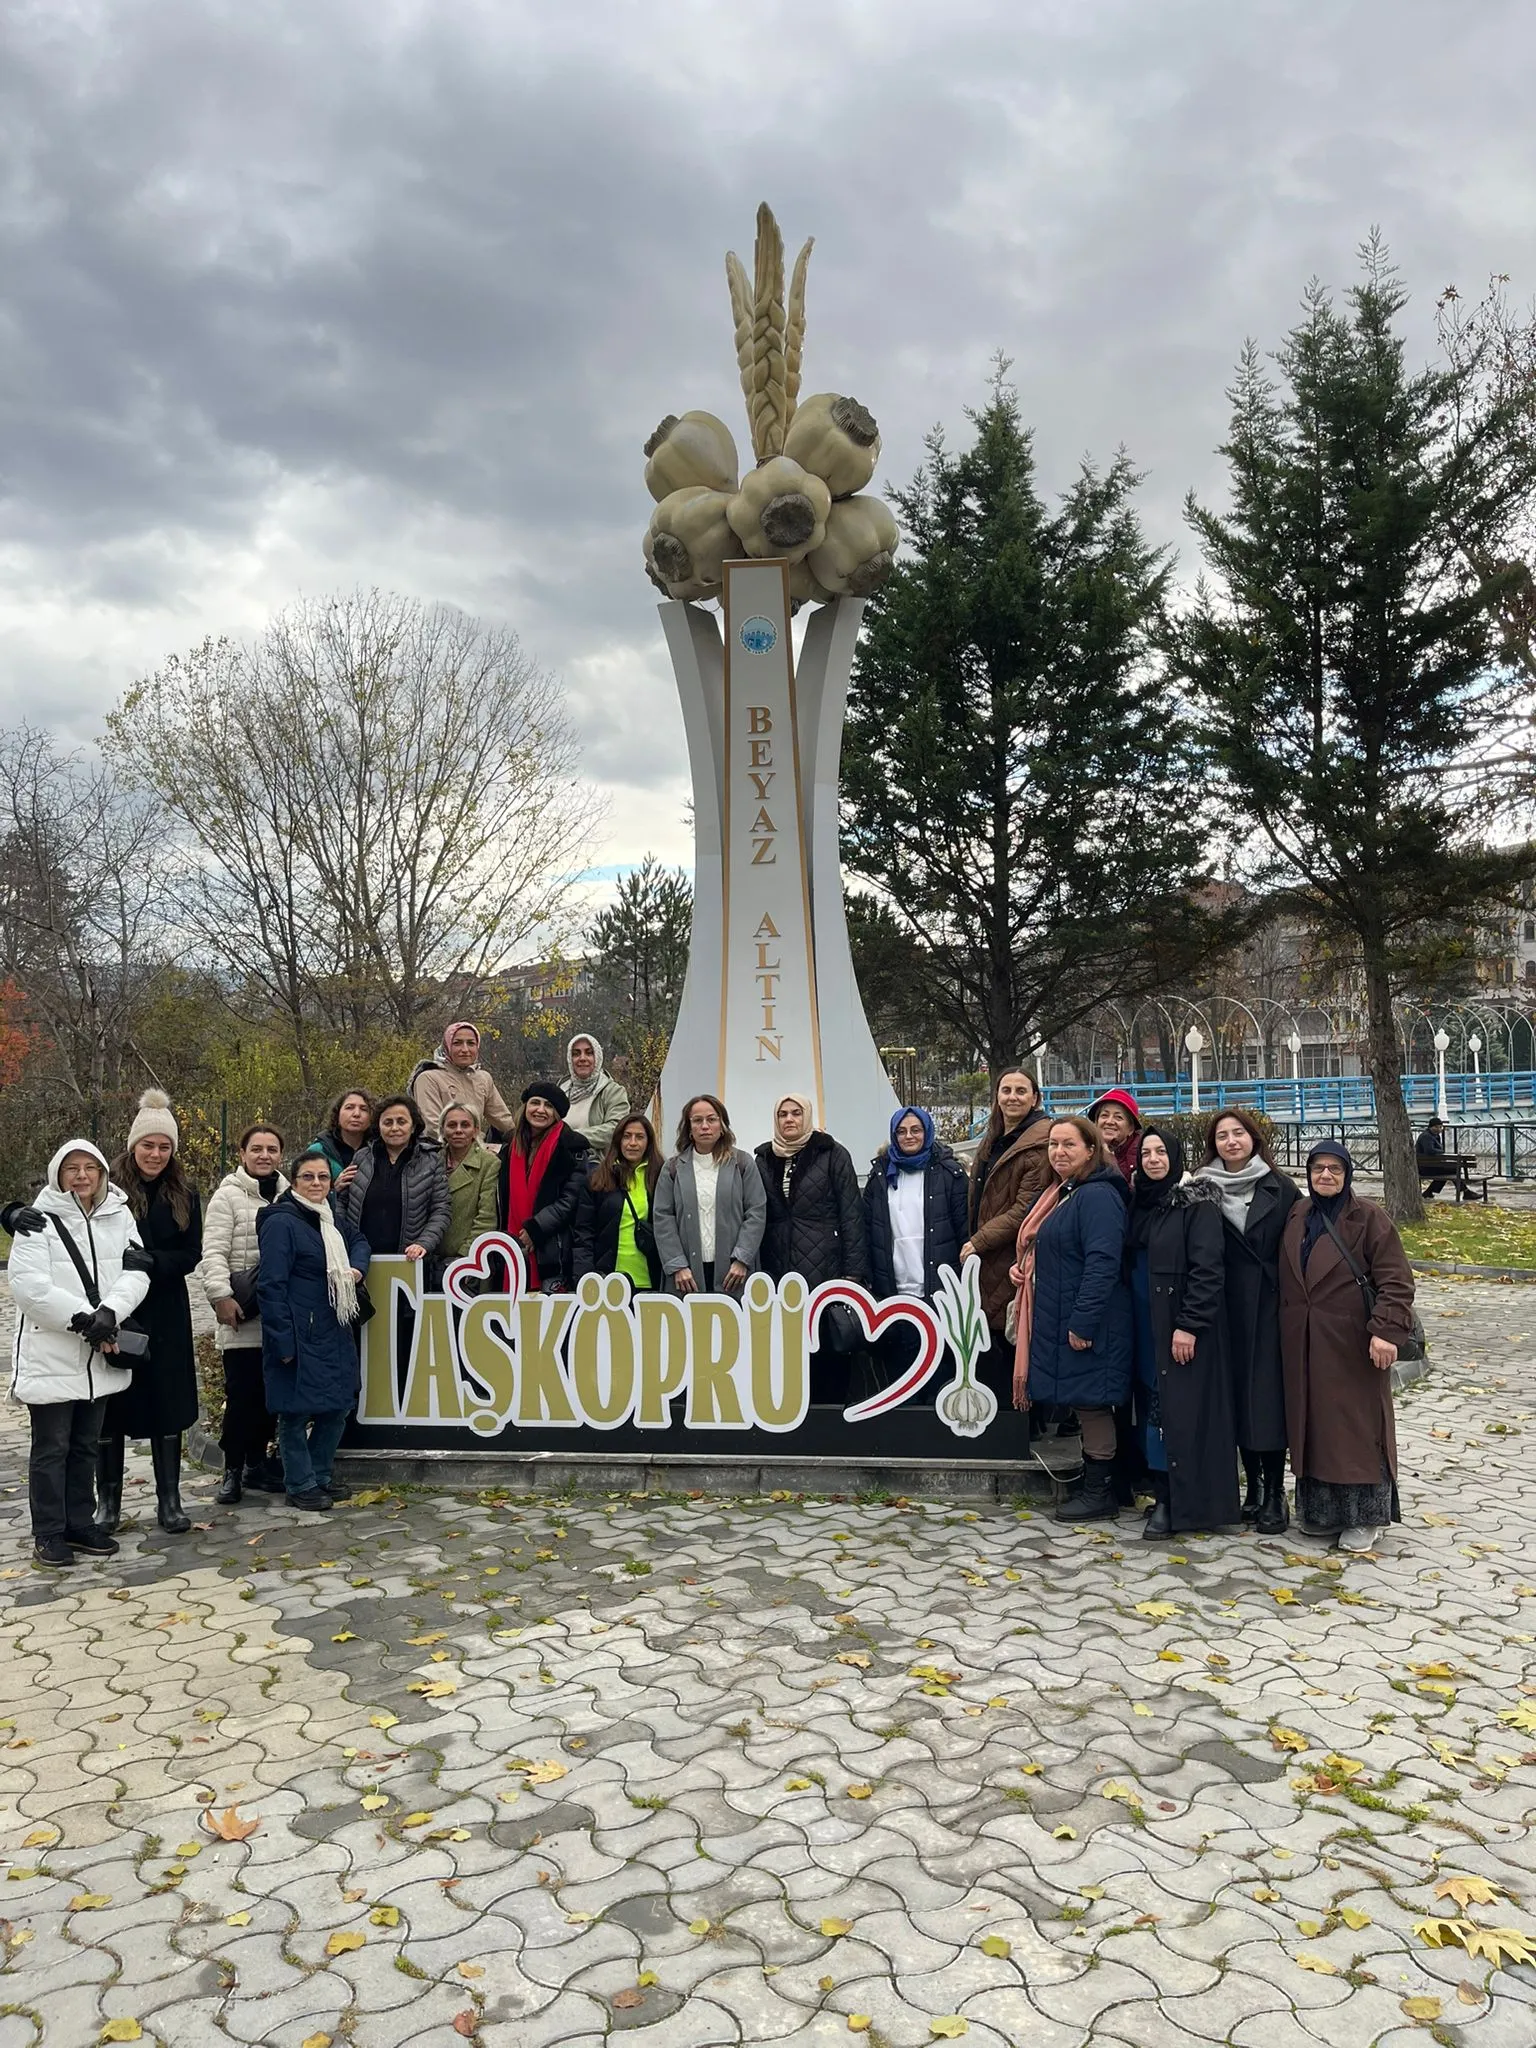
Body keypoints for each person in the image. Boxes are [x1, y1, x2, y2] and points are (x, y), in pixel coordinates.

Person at [9, 1140, 150, 1568]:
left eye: (91, 1167)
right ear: (58, 1173)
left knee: (86, 1444)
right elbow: (29, 1286)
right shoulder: (37, 1221)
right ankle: (48, 1531)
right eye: (73, 1168)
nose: (82, 1176)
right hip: (54, 1350)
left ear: (103, 1172)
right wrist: (88, 1321)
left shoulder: (118, 1213)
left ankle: (80, 1521)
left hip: (98, 1354)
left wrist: (112, 1311)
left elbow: (137, 1268)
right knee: (51, 1447)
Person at [1280, 1141, 1417, 1553]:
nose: (1325, 1176)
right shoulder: (1298, 1215)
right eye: (1318, 1168)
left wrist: (1386, 1331)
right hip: (1304, 1341)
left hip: (1353, 1343)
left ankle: (1366, 1517)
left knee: (1356, 1428)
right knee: (1314, 1427)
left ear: (1347, 1175)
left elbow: (1396, 1280)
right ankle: (1323, 1513)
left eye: (1334, 1169)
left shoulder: (1368, 1217)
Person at [1125, 1128, 1240, 1539]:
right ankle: (1162, 1491)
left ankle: (1173, 1501)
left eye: (1160, 1152)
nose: (1153, 1159)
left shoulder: (1196, 1205)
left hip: (1176, 1326)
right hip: (1142, 1324)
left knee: (1174, 1413)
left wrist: (1188, 1325)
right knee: (1151, 1408)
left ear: (1176, 1156)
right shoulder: (1139, 1202)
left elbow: (1208, 1271)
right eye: (1146, 1153)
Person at [99, 1091, 204, 1537]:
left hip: (165, 1307)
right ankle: (108, 1503)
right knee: (111, 1404)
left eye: (164, 1146)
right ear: (133, 1145)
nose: (156, 1154)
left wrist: (155, 1262)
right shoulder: (108, 1191)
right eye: (148, 1145)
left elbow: (192, 1253)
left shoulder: (185, 1192)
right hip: (117, 1305)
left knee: (167, 1400)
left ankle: (169, 1500)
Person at [1195, 1109, 1300, 1534]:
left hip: (1269, 1308)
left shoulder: (1281, 1187)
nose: (1231, 1141)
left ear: (1253, 1139)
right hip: (1222, 1308)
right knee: (1235, 1399)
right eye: (1222, 1136)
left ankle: (1276, 1491)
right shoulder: (1201, 1189)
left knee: (1266, 1401)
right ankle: (1252, 1488)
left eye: (1238, 1133)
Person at [1024, 1116, 1132, 1523]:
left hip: (1091, 1321)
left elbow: (1103, 1263)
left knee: (1093, 1402)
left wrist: (1083, 1322)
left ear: (1091, 1149)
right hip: (1067, 1312)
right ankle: (1099, 1485)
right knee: (1087, 1399)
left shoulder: (1098, 1196)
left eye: (1069, 1144)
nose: (1059, 1152)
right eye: (1053, 1145)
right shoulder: (1069, 1192)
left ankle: (1099, 1492)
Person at [257, 1150, 371, 1511]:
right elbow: (270, 1286)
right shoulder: (281, 1222)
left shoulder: (330, 1219)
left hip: (333, 1327)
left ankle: (321, 1474)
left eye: (323, 1177)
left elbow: (360, 1241)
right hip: (298, 1332)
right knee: (294, 1411)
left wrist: (355, 1269)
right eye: (308, 1177)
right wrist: (282, 1341)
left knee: (338, 1405)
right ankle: (300, 1482)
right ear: (294, 1181)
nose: (317, 1184)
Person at [201, 1124, 288, 1504]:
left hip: (280, 1314)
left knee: (272, 1395)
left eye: (271, 1149)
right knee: (242, 1396)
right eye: (257, 1148)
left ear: (281, 1155)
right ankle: (232, 1469)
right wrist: (220, 1296)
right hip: (242, 1311)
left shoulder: (291, 1195)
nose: (264, 1155)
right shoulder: (227, 1197)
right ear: (242, 1153)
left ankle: (257, 1463)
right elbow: (214, 1253)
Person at [962, 1071, 1053, 1376]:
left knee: (1013, 1339)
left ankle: (1025, 1417)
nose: (1012, 1097)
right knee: (995, 1338)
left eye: (1021, 1091)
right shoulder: (995, 1137)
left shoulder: (1039, 1145)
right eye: (1006, 1090)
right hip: (989, 1258)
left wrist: (979, 1240)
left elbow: (1024, 1210)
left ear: (1035, 1098)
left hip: (1012, 1255)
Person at [653, 1094, 766, 1296]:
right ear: (689, 1128)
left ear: (722, 1125)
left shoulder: (742, 1163)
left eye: (711, 1119)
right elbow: (663, 1218)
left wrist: (742, 1259)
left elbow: (756, 1212)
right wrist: (677, 1265)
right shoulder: (673, 1168)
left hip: (733, 1273)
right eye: (697, 1120)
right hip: (687, 1275)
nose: (705, 1126)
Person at [864, 1107, 970, 1301]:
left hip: (939, 1287)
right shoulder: (880, 1176)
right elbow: (868, 1229)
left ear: (927, 1131)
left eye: (916, 1130)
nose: (909, 1136)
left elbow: (964, 1230)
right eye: (901, 1131)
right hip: (890, 1287)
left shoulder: (950, 1173)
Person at [498, 1081, 592, 1290]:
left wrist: (535, 1229)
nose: (540, 1110)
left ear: (557, 1113)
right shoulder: (509, 1148)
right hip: (509, 1246)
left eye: (548, 1106)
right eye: (535, 1103)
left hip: (552, 1250)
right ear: (525, 1107)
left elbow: (570, 1200)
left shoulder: (572, 1149)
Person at [338, 1095, 451, 1267]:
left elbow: (441, 1210)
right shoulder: (362, 1158)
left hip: (409, 1261)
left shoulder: (431, 1161)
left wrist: (423, 1243)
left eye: (401, 1121)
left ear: (413, 1126)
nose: (394, 1128)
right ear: (379, 1126)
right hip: (360, 1261)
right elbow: (342, 1202)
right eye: (388, 1122)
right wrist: (345, 1239)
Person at [572, 1114, 665, 1290]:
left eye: (640, 1137)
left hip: (651, 1279)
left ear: (649, 1142)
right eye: (627, 1136)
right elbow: (584, 1233)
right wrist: (585, 1278)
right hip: (607, 1281)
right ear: (618, 1141)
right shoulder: (597, 1180)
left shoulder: (662, 1177)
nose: (633, 1143)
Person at [409, 1022, 517, 1139]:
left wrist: (524, 1140)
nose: (465, 1049)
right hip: (439, 1152)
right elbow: (431, 1127)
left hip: (476, 1150)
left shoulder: (483, 1078)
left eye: (471, 1043)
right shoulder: (429, 1078)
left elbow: (502, 1119)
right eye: (457, 1043)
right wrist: (468, 1147)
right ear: (447, 1046)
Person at [437, 1102, 501, 1262]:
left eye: (465, 1125)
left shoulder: (489, 1164)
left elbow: (486, 1218)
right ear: (443, 1131)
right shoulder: (431, 1161)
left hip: (470, 1262)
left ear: (476, 1130)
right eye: (452, 1125)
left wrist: (465, 1258)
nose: (458, 1130)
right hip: (429, 1256)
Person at [563, 1034, 631, 1152]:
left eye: (589, 1053)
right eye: (576, 1053)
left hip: (596, 1165)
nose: (582, 1058)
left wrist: (573, 1138)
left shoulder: (613, 1092)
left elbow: (617, 1128)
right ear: (570, 1059)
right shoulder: (561, 1090)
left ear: (598, 1057)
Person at [313, 1090, 376, 1193]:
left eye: (364, 1109)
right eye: (349, 1107)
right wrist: (333, 1189)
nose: (356, 1114)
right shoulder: (318, 1151)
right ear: (337, 1115)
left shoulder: (379, 1150)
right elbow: (303, 1194)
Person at [1086, 1088, 1143, 1181]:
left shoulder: (1141, 1157)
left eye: (1118, 1117)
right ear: (1096, 1123)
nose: (1109, 1122)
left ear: (1131, 1128)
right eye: (1104, 1115)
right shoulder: (1085, 1151)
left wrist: (1110, 1163)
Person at [1416, 1116, 1453, 1199]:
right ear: (1430, 1127)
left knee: (1452, 1171)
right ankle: (1466, 1191)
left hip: (1431, 1165)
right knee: (1454, 1170)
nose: (1439, 1129)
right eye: (1436, 1127)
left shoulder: (1435, 1136)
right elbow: (1430, 1151)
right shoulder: (1426, 1136)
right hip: (1425, 1168)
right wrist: (1441, 1151)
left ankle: (1428, 1192)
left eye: (1440, 1127)